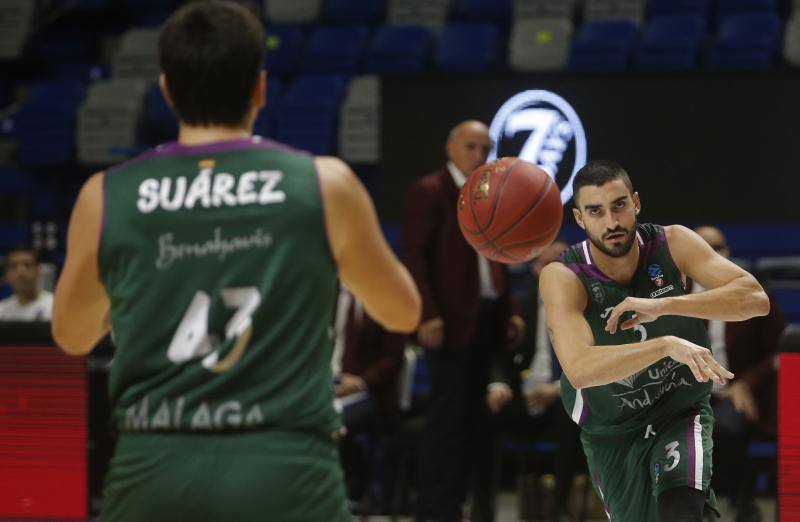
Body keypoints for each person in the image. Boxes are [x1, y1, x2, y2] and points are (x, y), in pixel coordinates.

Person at [50, 3, 421, 522]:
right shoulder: (324, 184)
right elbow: (403, 313)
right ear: (260, 88)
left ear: (167, 90)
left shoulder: (105, 195)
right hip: (285, 469)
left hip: (153, 469)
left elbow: (71, 336)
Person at [539, 160, 770, 522]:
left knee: (681, 511)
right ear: (580, 219)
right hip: (610, 428)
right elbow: (580, 369)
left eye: (619, 206)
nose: (612, 222)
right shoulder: (564, 276)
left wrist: (665, 305)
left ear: (636, 203)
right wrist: (664, 345)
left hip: (678, 410)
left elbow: (755, 299)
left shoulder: (672, 242)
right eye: (596, 212)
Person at [400, 120, 523, 522]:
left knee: (481, 424)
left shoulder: (491, 195)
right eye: (470, 146)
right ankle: (436, 511)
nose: (478, 155)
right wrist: (427, 314)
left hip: (487, 318)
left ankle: (476, 508)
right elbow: (414, 257)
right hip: (449, 322)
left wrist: (510, 311)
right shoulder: (430, 191)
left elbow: (502, 258)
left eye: (484, 147)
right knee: (447, 423)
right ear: (450, 148)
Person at [485, 237, 584, 522]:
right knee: (484, 415)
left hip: (560, 394)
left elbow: (590, 360)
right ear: (534, 269)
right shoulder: (518, 305)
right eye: (546, 264)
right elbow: (498, 354)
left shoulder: (582, 310)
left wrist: (556, 388)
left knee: (573, 413)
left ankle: (560, 508)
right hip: (520, 395)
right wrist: (498, 384)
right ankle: (481, 503)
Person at [693, 225, 785, 522]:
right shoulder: (674, 298)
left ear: (727, 253)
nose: (710, 253)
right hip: (690, 393)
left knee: (726, 427)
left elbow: (778, 352)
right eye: (701, 247)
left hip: (736, 391)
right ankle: (697, 504)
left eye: (716, 247)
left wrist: (745, 383)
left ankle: (737, 499)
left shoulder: (754, 294)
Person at [0, 245, 53, 321]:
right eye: (14, 266)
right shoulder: (2, 310)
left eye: (27, 265)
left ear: (38, 270)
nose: (21, 271)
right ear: (7, 274)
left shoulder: (54, 306)